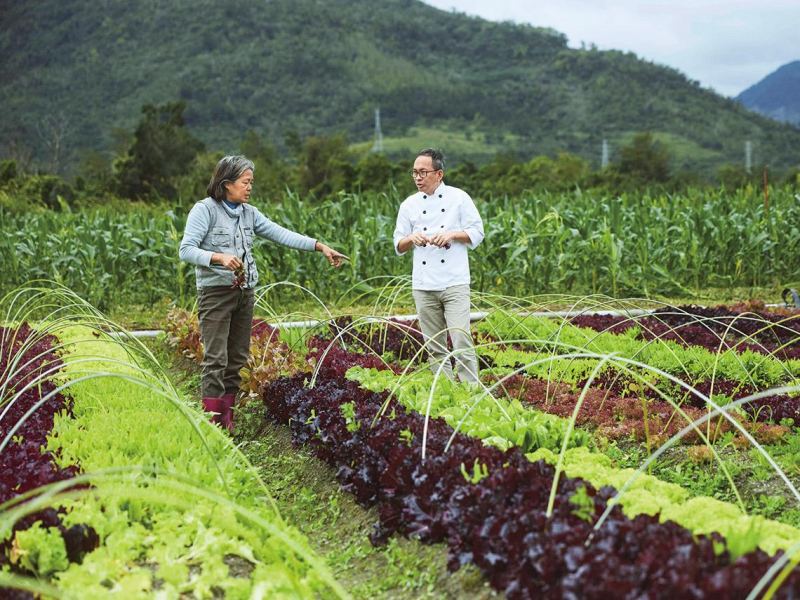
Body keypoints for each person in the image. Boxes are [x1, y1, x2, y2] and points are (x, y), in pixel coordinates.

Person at [179, 155, 348, 430]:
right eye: (245, 182)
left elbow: (281, 234)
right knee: (216, 359)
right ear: (226, 184)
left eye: (251, 182)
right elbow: (186, 250)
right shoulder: (205, 210)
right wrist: (218, 257)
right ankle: (211, 423)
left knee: (236, 358)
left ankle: (227, 420)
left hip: (244, 292)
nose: (249, 188)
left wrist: (320, 246)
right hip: (215, 293)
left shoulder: (249, 213)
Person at [393, 148, 484, 384]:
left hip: (454, 281)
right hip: (424, 284)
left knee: (461, 339)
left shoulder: (459, 198)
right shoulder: (409, 204)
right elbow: (399, 244)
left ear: (439, 174)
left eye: (423, 172)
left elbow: (477, 232)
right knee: (434, 344)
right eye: (414, 172)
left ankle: (471, 389)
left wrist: (452, 234)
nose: (418, 177)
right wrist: (412, 238)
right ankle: (444, 389)